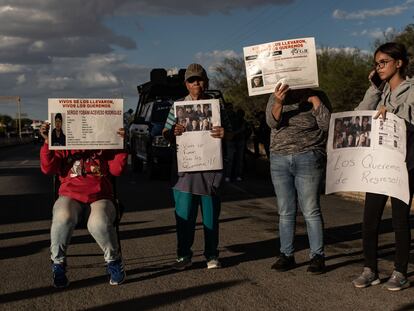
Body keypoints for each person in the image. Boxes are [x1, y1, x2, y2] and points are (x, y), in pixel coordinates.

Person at [352, 42, 414, 291]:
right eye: (376, 64)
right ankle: (370, 270)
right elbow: (359, 114)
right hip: (378, 164)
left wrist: (394, 111)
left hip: (404, 164)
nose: (378, 67)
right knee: (370, 219)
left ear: (398, 63)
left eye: (383, 62)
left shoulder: (411, 89)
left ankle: (400, 271)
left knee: (400, 219)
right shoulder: (381, 90)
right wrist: (374, 89)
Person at [39, 122, 128, 288]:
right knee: (62, 216)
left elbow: (117, 170)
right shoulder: (64, 146)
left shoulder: (105, 145)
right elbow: (48, 168)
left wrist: (121, 144)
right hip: (70, 195)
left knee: (98, 222)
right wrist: (47, 142)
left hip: (101, 196)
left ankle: (114, 260)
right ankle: (58, 264)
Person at [162, 63, 231, 270]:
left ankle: (211, 255)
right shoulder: (177, 107)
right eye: (192, 80)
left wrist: (225, 134)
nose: (196, 83)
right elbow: (165, 133)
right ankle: (184, 255)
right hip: (185, 171)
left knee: (210, 218)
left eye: (199, 79)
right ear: (186, 84)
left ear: (206, 82)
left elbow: (233, 133)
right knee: (184, 218)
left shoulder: (217, 106)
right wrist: (172, 132)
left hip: (210, 170)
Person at [266, 86, 331, 274]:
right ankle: (286, 254)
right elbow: (271, 122)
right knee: (285, 210)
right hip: (279, 158)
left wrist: (315, 100)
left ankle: (317, 256)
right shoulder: (276, 94)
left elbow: (327, 125)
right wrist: (279, 101)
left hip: (309, 156)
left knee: (310, 209)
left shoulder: (318, 94)